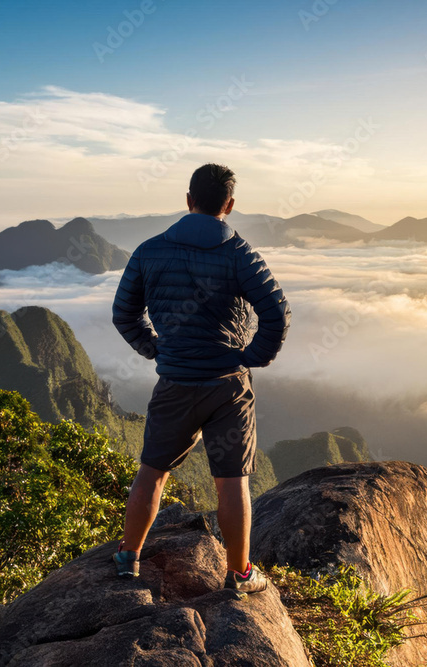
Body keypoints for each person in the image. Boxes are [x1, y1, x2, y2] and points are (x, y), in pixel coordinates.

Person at [110, 163, 291, 594]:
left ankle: (128, 558)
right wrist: (254, 356)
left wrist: (156, 349)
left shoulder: (149, 251)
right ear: (229, 205)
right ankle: (239, 574)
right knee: (232, 481)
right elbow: (277, 312)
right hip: (227, 385)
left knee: (151, 472)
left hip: (174, 384)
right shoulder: (239, 253)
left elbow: (123, 314)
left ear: (188, 200)